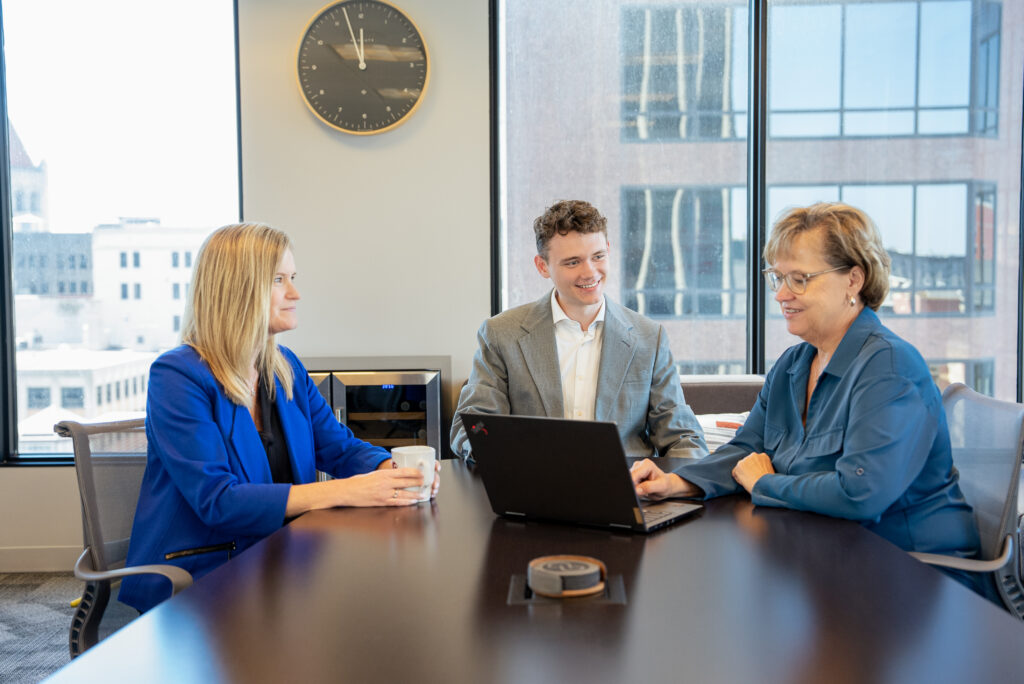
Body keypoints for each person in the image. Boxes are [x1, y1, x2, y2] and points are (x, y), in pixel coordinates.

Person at [631, 202, 981, 579]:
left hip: (913, 575)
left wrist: (766, 483)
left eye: (799, 278)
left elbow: (860, 492)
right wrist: (677, 482)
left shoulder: (890, 367)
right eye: (777, 278)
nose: (781, 295)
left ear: (853, 279)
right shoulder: (793, 364)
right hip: (831, 558)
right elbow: (747, 449)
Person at [120, 223, 438, 613]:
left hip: (279, 562)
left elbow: (337, 447)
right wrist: (348, 490)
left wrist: (392, 470)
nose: (295, 293)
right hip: (200, 579)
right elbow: (218, 500)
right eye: (278, 280)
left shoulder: (283, 367)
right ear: (239, 289)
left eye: (293, 278)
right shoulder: (178, 375)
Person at [451, 199, 707, 461]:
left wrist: (677, 481)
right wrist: (513, 462)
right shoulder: (501, 334)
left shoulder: (649, 338)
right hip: (535, 486)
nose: (590, 272)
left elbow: (683, 436)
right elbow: (470, 429)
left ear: (608, 250)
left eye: (598, 256)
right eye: (572, 262)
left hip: (628, 489)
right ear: (542, 266)